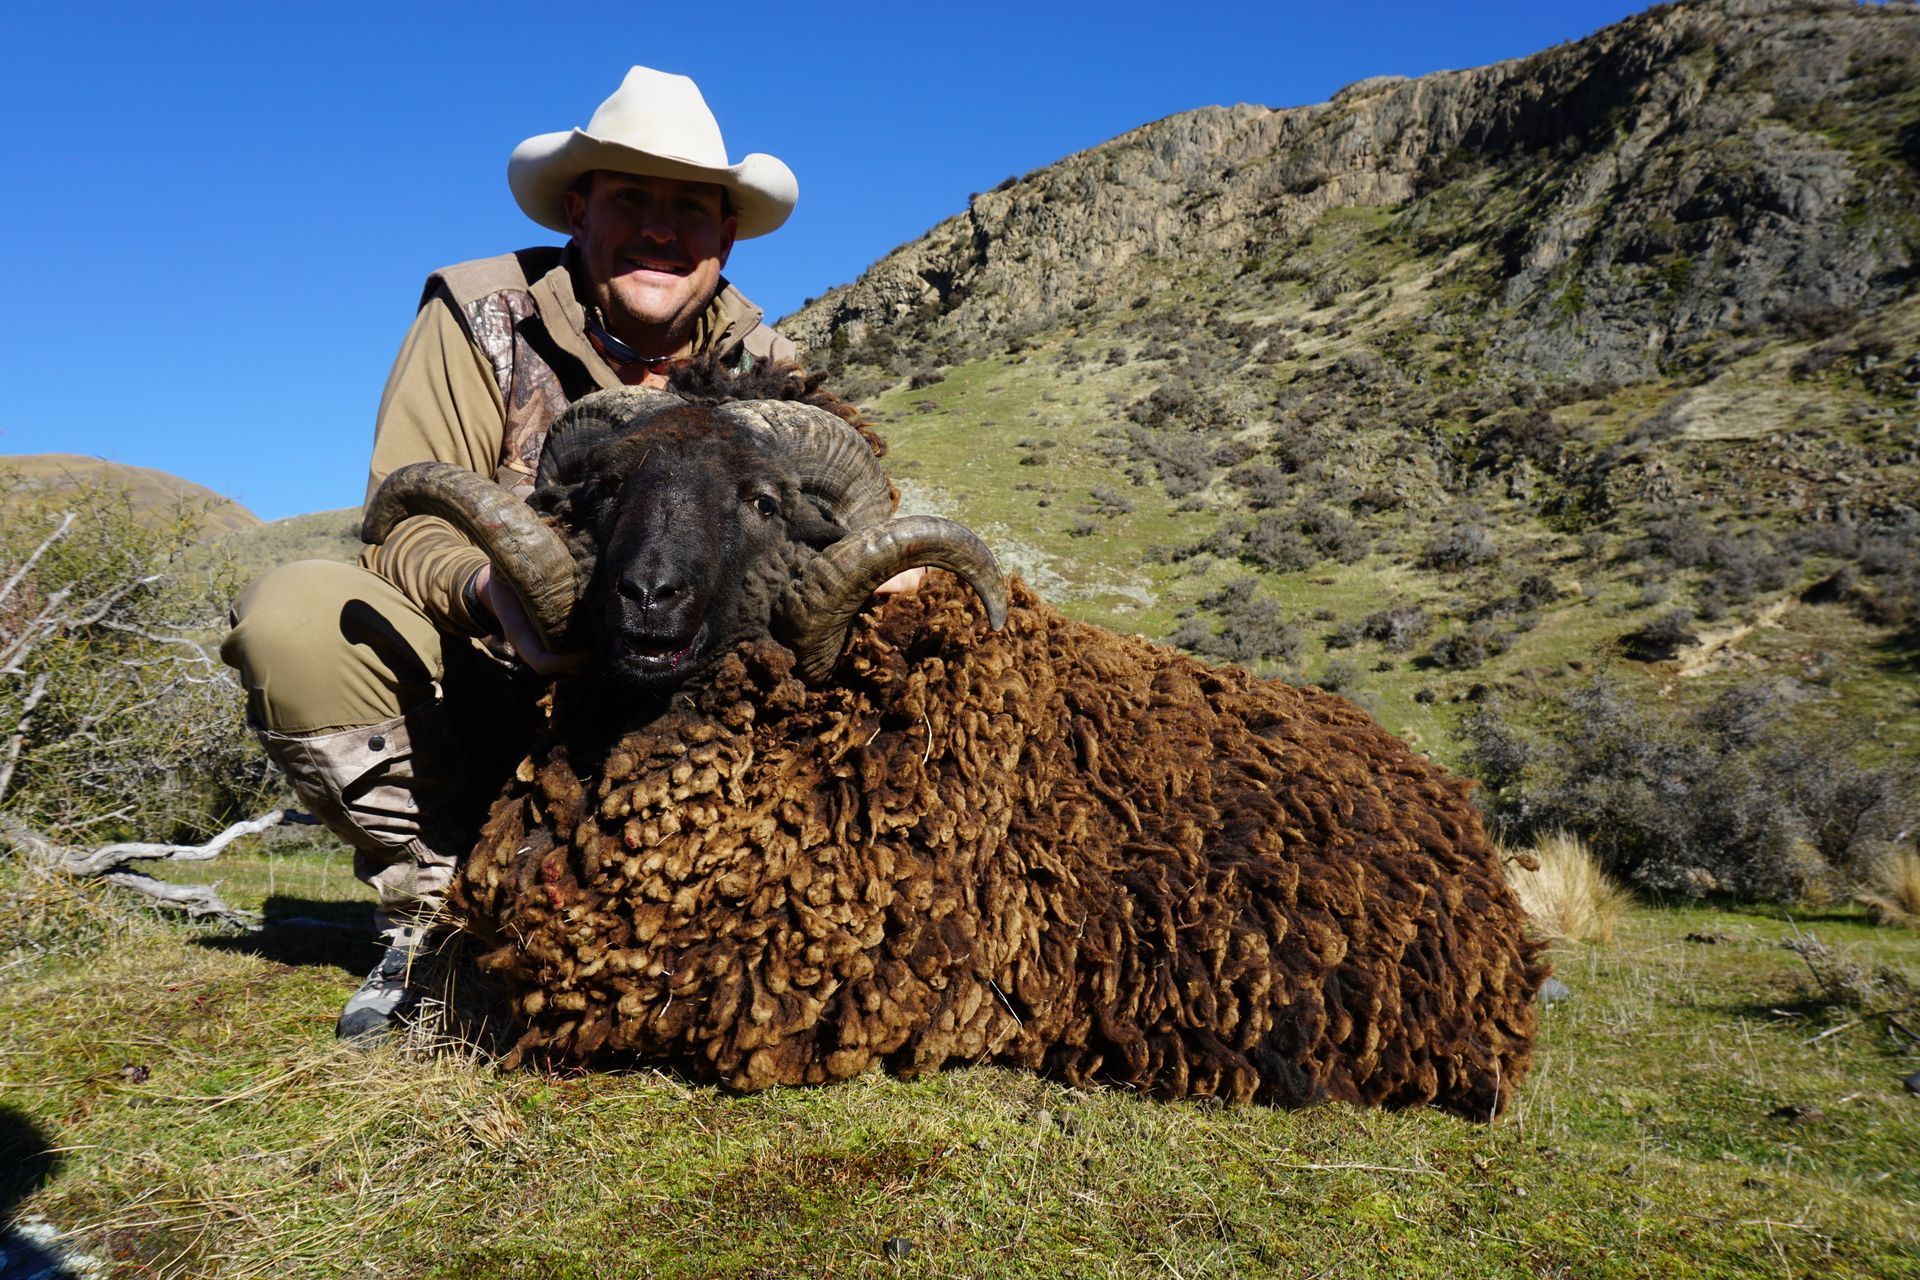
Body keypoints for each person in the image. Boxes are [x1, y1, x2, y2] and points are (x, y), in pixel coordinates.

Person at [220, 67, 801, 1041]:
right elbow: (406, 521)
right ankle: (432, 919)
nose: (662, 226)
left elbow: (813, 540)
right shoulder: (484, 314)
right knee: (301, 616)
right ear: (580, 209)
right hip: (496, 681)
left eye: (690, 207)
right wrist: (491, 588)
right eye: (631, 197)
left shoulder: (766, 370)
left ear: (727, 234)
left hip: (678, 719)